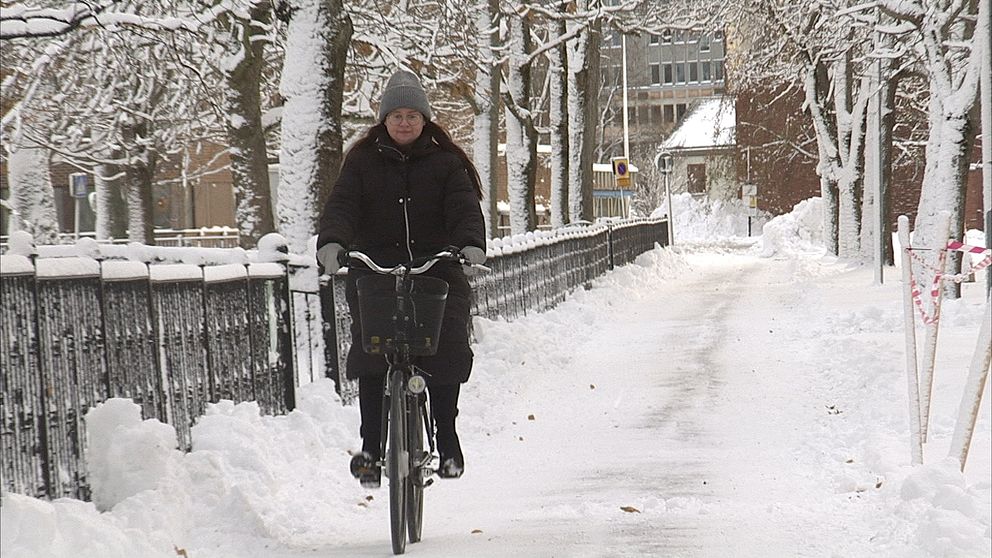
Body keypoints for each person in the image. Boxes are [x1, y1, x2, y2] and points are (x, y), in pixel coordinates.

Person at [316, 69, 487, 488]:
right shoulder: (361, 161)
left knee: (445, 347)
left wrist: (469, 245)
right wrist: (333, 243)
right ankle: (372, 448)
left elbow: (464, 208)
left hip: (435, 270)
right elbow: (342, 205)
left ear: (426, 118)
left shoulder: (447, 164)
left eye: (413, 114)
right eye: (397, 115)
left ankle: (446, 437)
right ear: (384, 120)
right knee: (373, 352)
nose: (405, 122)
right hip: (374, 271)